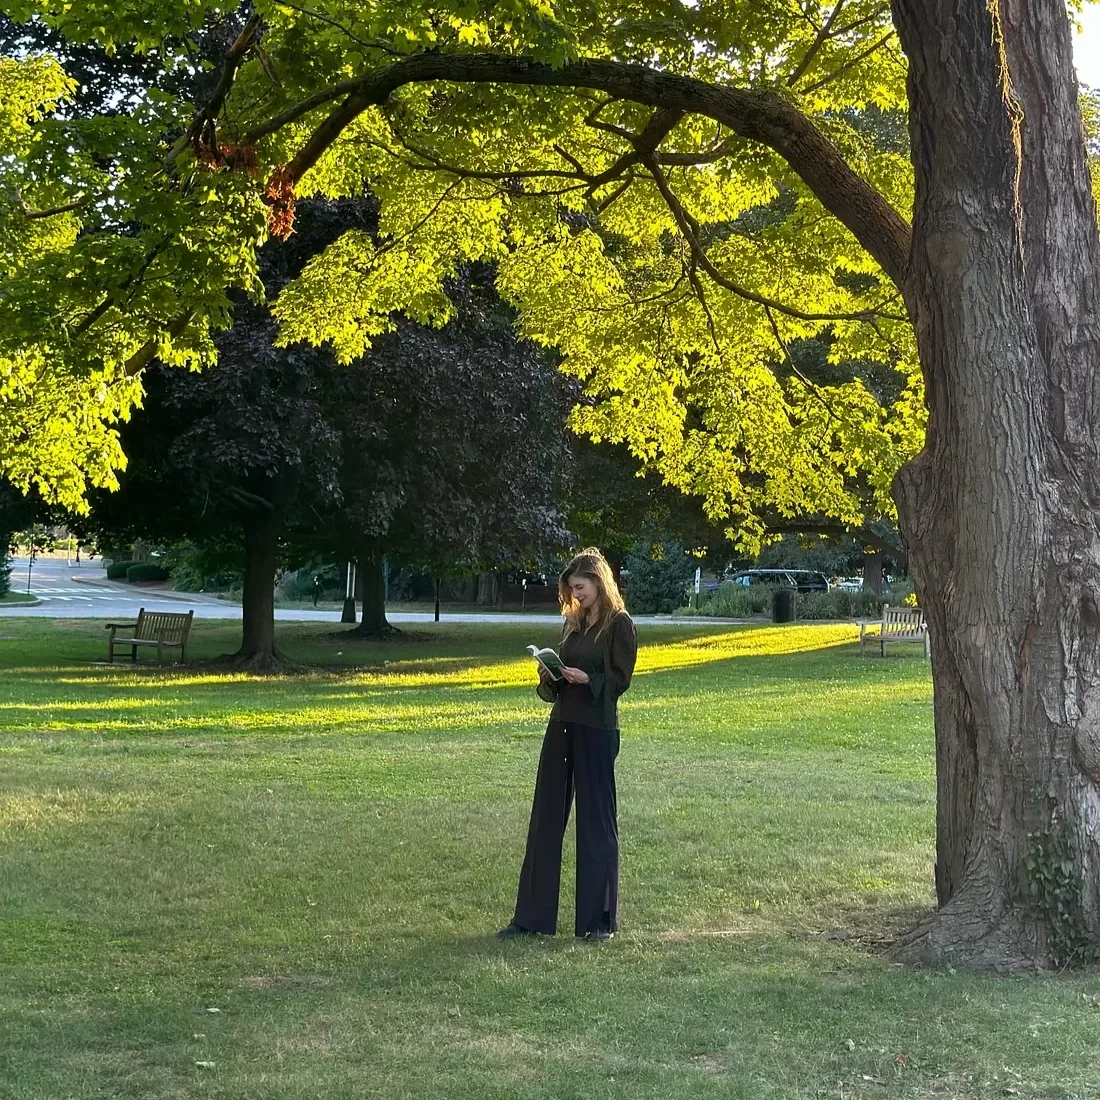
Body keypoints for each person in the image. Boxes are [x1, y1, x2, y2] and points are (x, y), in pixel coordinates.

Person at [498, 547, 638, 942]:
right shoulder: (572, 623)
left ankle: (599, 922)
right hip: (562, 725)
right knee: (545, 820)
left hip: (596, 729)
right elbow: (558, 681)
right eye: (572, 589)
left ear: (599, 582)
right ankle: (530, 918)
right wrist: (553, 674)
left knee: (597, 823)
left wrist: (587, 679)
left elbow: (619, 681)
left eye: (581, 587)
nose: (577, 595)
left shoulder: (619, 625)